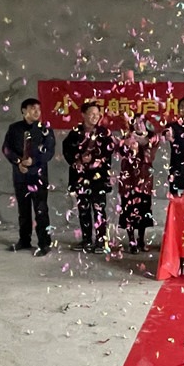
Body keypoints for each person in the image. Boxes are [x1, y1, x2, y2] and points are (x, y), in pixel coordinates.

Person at [1, 98, 56, 257]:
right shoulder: (14, 129)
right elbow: (6, 148)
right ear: (24, 111)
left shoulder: (45, 129)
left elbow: (49, 151)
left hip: (38, 175)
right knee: (23, 210)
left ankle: (44, 243)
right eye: (33, 108)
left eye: (38, 109)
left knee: (41, 210)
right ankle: (24, 240)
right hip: (20, 175)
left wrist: (34, 161)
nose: (37, 112)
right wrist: (18, 162)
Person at [62, 101, 115, 254]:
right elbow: (67, 150)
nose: (95, 117)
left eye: (97, 114)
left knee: (99, 209)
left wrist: (94, 159)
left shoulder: (104, 133)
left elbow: (109, 151)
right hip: (80, 177)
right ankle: (86, 239)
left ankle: (101, 240)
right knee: (83, 209)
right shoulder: (75, 132)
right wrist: (78, 159)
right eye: (91, 114)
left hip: (98, 177)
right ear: (83, 114)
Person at [118, 114, 159, 254]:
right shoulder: (126, 137)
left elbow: (150, 157)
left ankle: (141, 240)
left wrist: (140, 146)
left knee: (143, 211)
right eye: (135, 123)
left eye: (141, 123)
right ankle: (131, 241)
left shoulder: (151, 139)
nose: (138, 125)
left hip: (144, 181)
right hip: (128, 181)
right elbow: (121, 153)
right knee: (129, 211)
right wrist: (130, 147)